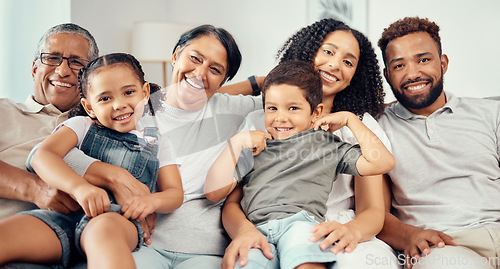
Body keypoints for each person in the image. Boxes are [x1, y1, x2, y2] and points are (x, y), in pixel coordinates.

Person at [220, 18, 400, 269]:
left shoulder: (358, 126)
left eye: (348, 62)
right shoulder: (265, 119)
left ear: (353, 77)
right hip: (264, 224)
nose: (335, 65)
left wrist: (352, 231)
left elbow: (371, 210)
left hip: (337, 227)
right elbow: (210, 100)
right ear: (307, 51)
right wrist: (266, 81)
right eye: (328, 51)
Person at [0, 53, 184, 269]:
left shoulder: (157, 140)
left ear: (144, 93)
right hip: (64, 218)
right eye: (105, 98)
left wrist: (151, 202)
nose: (119, 104)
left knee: (103, 234)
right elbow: (43, 156)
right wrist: (79, 188)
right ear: (89, 107)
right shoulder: (82, 125)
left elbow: (174, 193)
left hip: (116, 221)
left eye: (128, 92)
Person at [376, 17, 500, 269]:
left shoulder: (490, 113)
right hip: (445, 245)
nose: (413, 74)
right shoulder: (376, 127)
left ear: (442, 63)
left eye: (423, 60)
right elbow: (375, 212)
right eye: (399, 66)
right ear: (387, 75)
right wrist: (408, 234)